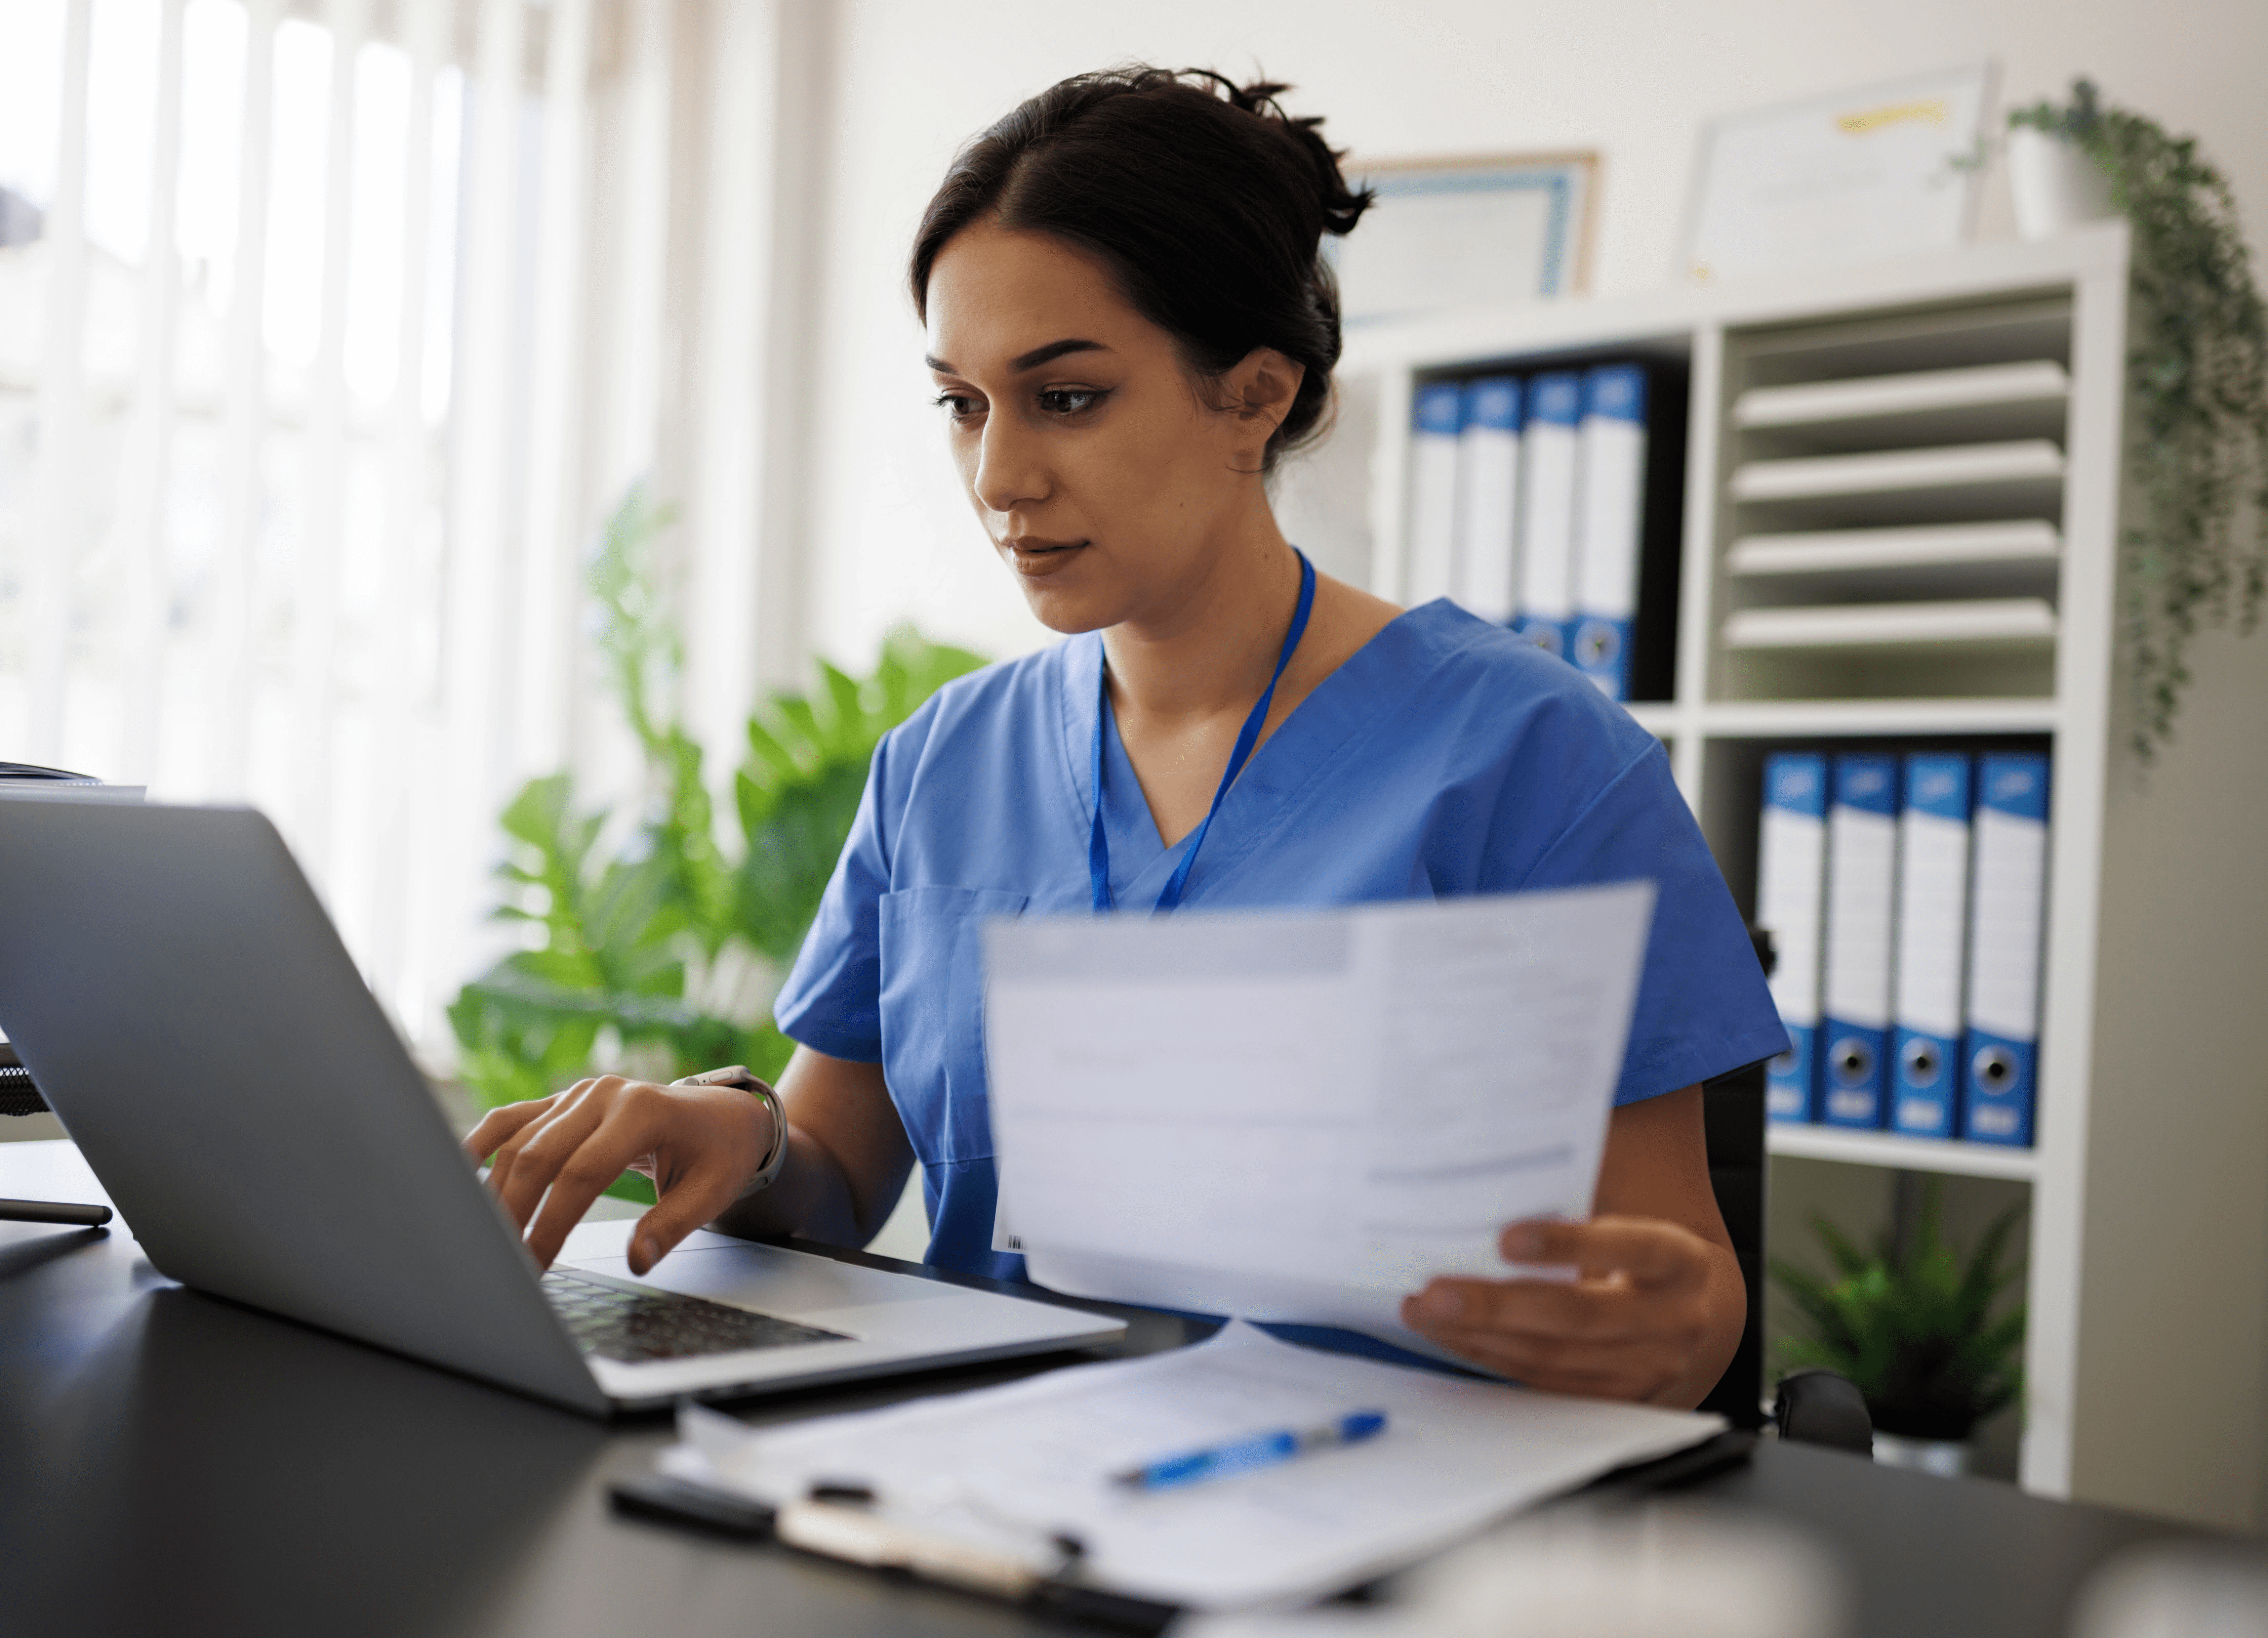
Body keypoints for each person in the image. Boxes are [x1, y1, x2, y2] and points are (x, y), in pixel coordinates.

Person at [465, 67, 1786, 1410]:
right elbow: (835, 1173)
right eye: (963, 404)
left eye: (1068, 397)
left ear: (1254, 396)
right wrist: (736, 1135)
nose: (999, 478)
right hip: (975, 1474)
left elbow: (1681, 1295)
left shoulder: (1537, 760)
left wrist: (1655, 1325)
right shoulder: (942, 763)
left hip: (1371, 1489)